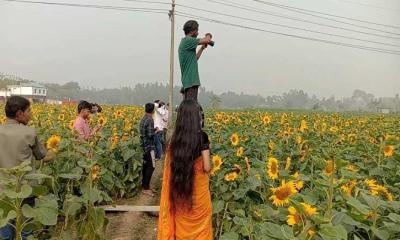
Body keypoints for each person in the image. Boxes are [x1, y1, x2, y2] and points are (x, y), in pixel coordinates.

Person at [0, 96, 55, 239]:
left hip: (4, 189)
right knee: (26, 231)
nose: (31, 114)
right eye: (29, 110)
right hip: (25, 188)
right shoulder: (29, 132)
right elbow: (43, 156)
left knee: (5, 229)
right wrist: (54, 152)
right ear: (19, 113)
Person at [158, 99, 212, 240]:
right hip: (199, 195)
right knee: (201, 230)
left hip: (180, 192)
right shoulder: (202, 137)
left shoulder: (174, 139)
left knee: (182, 228)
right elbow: (206, 167)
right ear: (197, 117)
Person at [179, 20, 213, 101]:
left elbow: (195, 59)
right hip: (191, 81)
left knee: (188, 107)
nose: (197, 33)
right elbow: (207, 40)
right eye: (197, 30)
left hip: (188, 82)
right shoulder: (188, 40)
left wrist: (202, 48)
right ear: (192, 31)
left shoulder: (186, 42)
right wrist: (208, 35)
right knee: (192, 107)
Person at [139, 103, 157, 197]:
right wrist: (156, 131)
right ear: (153, 110)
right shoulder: (150, 119)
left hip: (143, 146)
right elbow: (150, 135)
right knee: (151, 166)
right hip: (149, 146)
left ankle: (145, 186)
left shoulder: (143, 119)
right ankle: (146, 188)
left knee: (146, 166)